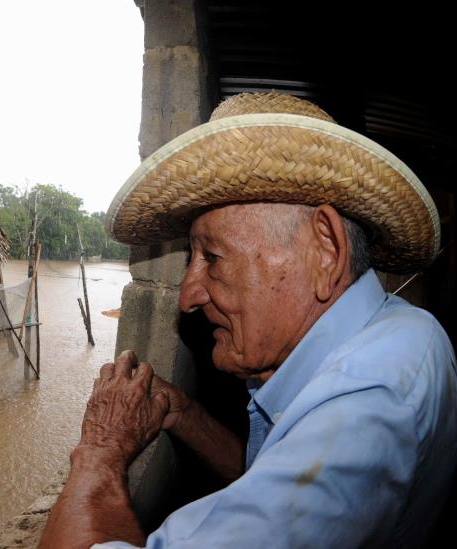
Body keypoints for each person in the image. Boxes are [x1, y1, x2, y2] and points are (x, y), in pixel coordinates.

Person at [39, 92, 457, 548]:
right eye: (190, 260)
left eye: (212, 257)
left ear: (326, 251)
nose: (188, 297)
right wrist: (183, 414)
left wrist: (101, 450)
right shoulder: (399, 333)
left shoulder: (369, 397)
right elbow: (273, 475)